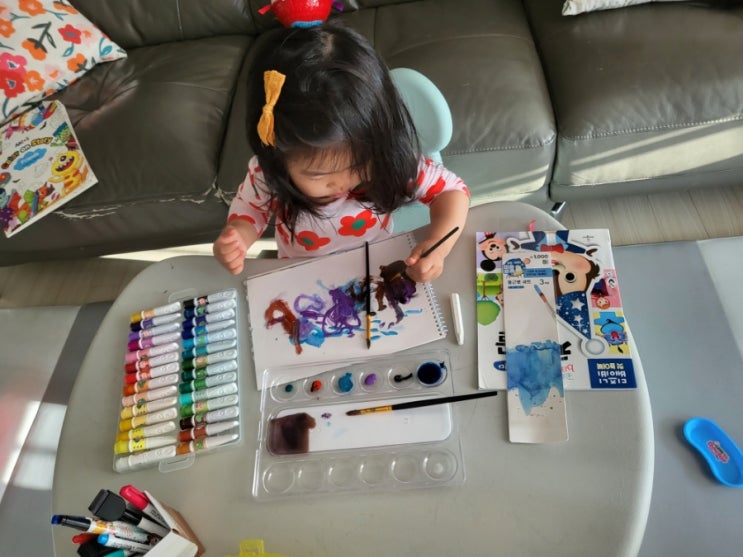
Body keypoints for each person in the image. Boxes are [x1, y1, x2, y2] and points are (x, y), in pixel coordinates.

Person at [213, 21, 469, 282]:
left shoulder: (387, 159)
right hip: (301, 273)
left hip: (375, 265)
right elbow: (251, 212)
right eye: (318, 174)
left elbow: (453, 192)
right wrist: (238, 238)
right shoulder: (267, 174)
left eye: (359, 165)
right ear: (278, 155)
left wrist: (438, 246)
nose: (341, 183)